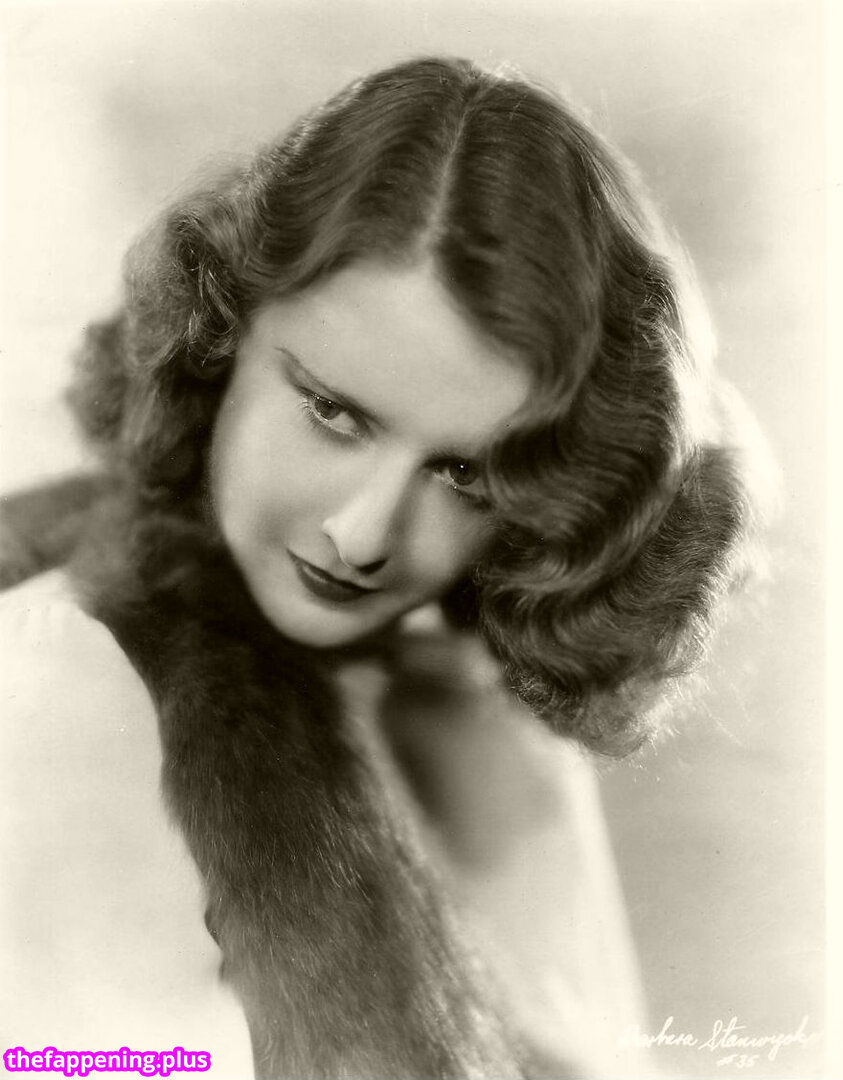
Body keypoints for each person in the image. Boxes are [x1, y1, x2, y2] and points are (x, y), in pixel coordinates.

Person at [0, 56, 761, 1079]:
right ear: (222, 334)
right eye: (331, 412)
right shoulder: (69, 686)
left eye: (463, 473)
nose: (362, 535)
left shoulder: (474, 704)